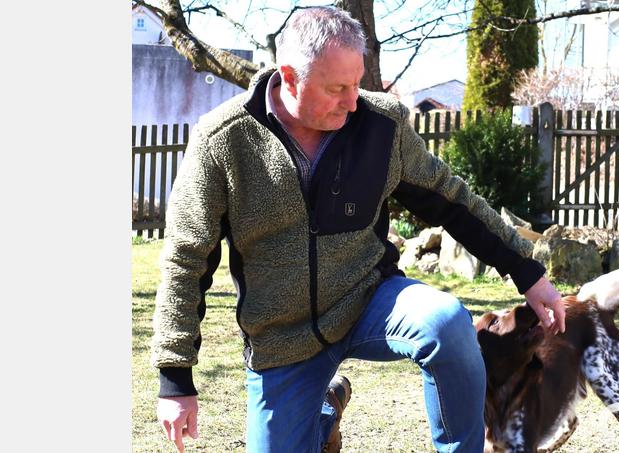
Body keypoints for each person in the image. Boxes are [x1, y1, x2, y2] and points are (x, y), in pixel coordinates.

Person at [151, 6, 566, 453]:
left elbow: (453, 200)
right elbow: (186, 257)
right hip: (281, 338)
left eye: (358, 83)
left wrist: (527, 271)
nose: (353, 101)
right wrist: (175, 377)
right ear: (289, 77)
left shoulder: (381, 125)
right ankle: (326, 412)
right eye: (337, 88)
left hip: (370, 299)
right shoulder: (222, 140)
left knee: (447, 323)